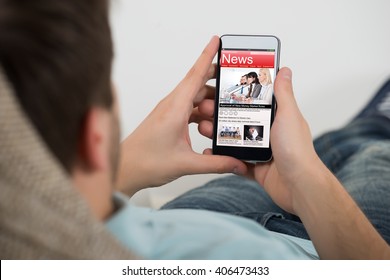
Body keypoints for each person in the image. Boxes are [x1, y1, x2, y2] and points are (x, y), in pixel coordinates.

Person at [1, 0, 389, 260]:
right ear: (94, 137)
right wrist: (308, 180)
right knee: (371, 149)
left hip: (189, 216)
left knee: (328, 145)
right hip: (329, 247)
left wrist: (121, 170)